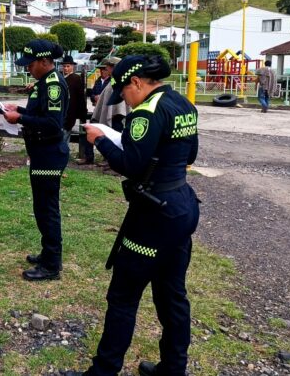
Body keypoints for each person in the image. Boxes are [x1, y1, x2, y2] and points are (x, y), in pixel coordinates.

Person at [77, 55, 200, 376]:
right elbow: (190, 153)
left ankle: (103, 372)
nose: (125, 102)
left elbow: (129, 164)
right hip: (181, 208)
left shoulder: (146, 112)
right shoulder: (182, 103)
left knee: (123, 297)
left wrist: (101, 140)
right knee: (172, 296)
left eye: (124, 93)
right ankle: (173, 369)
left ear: (136, 83)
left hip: (152, 216)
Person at [3, 39, 69, 281]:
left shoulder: (53, 85)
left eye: (30, 64)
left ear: (44, 61)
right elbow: (40, 113)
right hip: (42, 154)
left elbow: (53, 123)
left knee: (47, 209)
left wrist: (19, 119)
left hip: (49, 155)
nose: (27, 68)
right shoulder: (44, 82)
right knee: (41, 208)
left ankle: (52, 264)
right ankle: (47, 253)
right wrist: (20, 111)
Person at [79, 60, 113, 164]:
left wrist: (102, 98)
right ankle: (88, 157)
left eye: (104, 70)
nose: (102, 72)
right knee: (89, 132)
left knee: (107, 136)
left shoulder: (111, 82)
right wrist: (95, 97)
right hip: (97, 111)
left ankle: (107, 159)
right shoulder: (98, 81)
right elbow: (92, 94)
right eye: (100, 70)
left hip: (107, 111)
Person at [90, 57, 127, 132]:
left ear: (114, 67)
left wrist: (111, 113)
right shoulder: (113, 81)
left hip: (115, 120)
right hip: (112, 119)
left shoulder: (118, 82)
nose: (106, 68)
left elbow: (120, 106)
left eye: (108, 66)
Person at [61, 55, 87, 153]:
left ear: (73, 67)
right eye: (64, 66)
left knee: (65, 135)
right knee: (61, 136)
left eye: (68, 66)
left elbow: (80, 97)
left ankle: (63, 156)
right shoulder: (61, 77)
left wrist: (82, 112)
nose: (66, 68)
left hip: (70, 111)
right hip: (61, 111)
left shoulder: (76, 78)